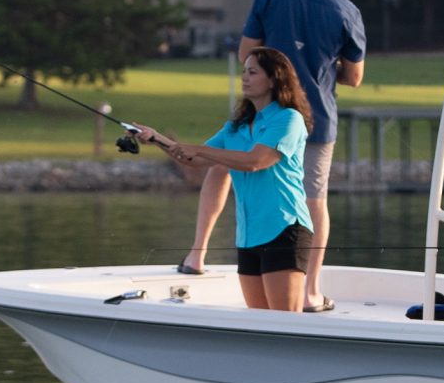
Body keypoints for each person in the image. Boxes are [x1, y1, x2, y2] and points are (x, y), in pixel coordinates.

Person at [179, 0, 366, 312]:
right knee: (313, 196)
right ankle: (311, 290)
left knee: (220, 166)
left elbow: (246, 53)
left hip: (261, 112)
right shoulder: (348, 10)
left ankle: (197, 255)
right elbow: (354, 77)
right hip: (319, 117)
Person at [133, 47, 314, 312]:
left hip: (284, 229)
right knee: (259, 323)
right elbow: (192, 159)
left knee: (284, 323)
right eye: (244, 72)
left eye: (253, 72)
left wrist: (201, 149)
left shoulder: (288, 119)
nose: (245, 78)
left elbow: (255, 161)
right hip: (248, 237)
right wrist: (156, 138)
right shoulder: (236, 127)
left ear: (274, 79)